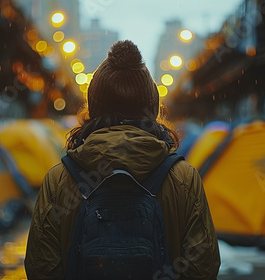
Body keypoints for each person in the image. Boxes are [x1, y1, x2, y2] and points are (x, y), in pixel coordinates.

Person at [25, 40, 220, 279]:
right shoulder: (183, 179)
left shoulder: (59, 180)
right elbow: (203, 266)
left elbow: (40, 267)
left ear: (95, 107)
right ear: (151, 107)